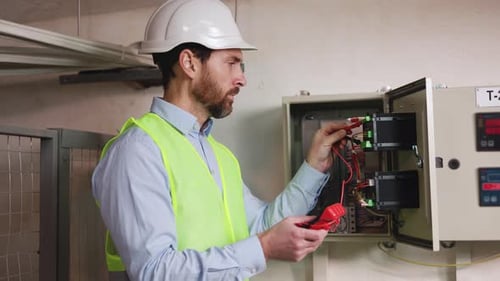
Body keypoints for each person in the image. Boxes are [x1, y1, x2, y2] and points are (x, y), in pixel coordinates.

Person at [92, 0, 347, 280]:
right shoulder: (138, 151)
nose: (241, 79)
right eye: (231, 63)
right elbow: (155, 271)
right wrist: (262, 248)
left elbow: (262, 226)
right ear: (189, 63)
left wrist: (315, 166)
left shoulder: (219, 156)